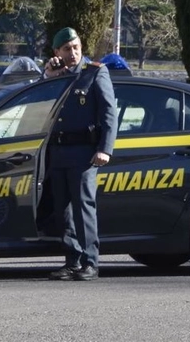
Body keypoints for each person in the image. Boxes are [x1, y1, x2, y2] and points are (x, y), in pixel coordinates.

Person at [42, 27, 117, 281]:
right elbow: (40, 105)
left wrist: (104, 149)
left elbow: (109, 113)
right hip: (59, 153)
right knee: (62, 211)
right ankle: (72, 260)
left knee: (83, 207)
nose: (72, 53)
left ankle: (90, 261)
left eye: (76, 47)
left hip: (85, 154)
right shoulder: (56, 75)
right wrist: (49, 75)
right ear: (57, 52)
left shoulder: (95, 72)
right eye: (66, 49)